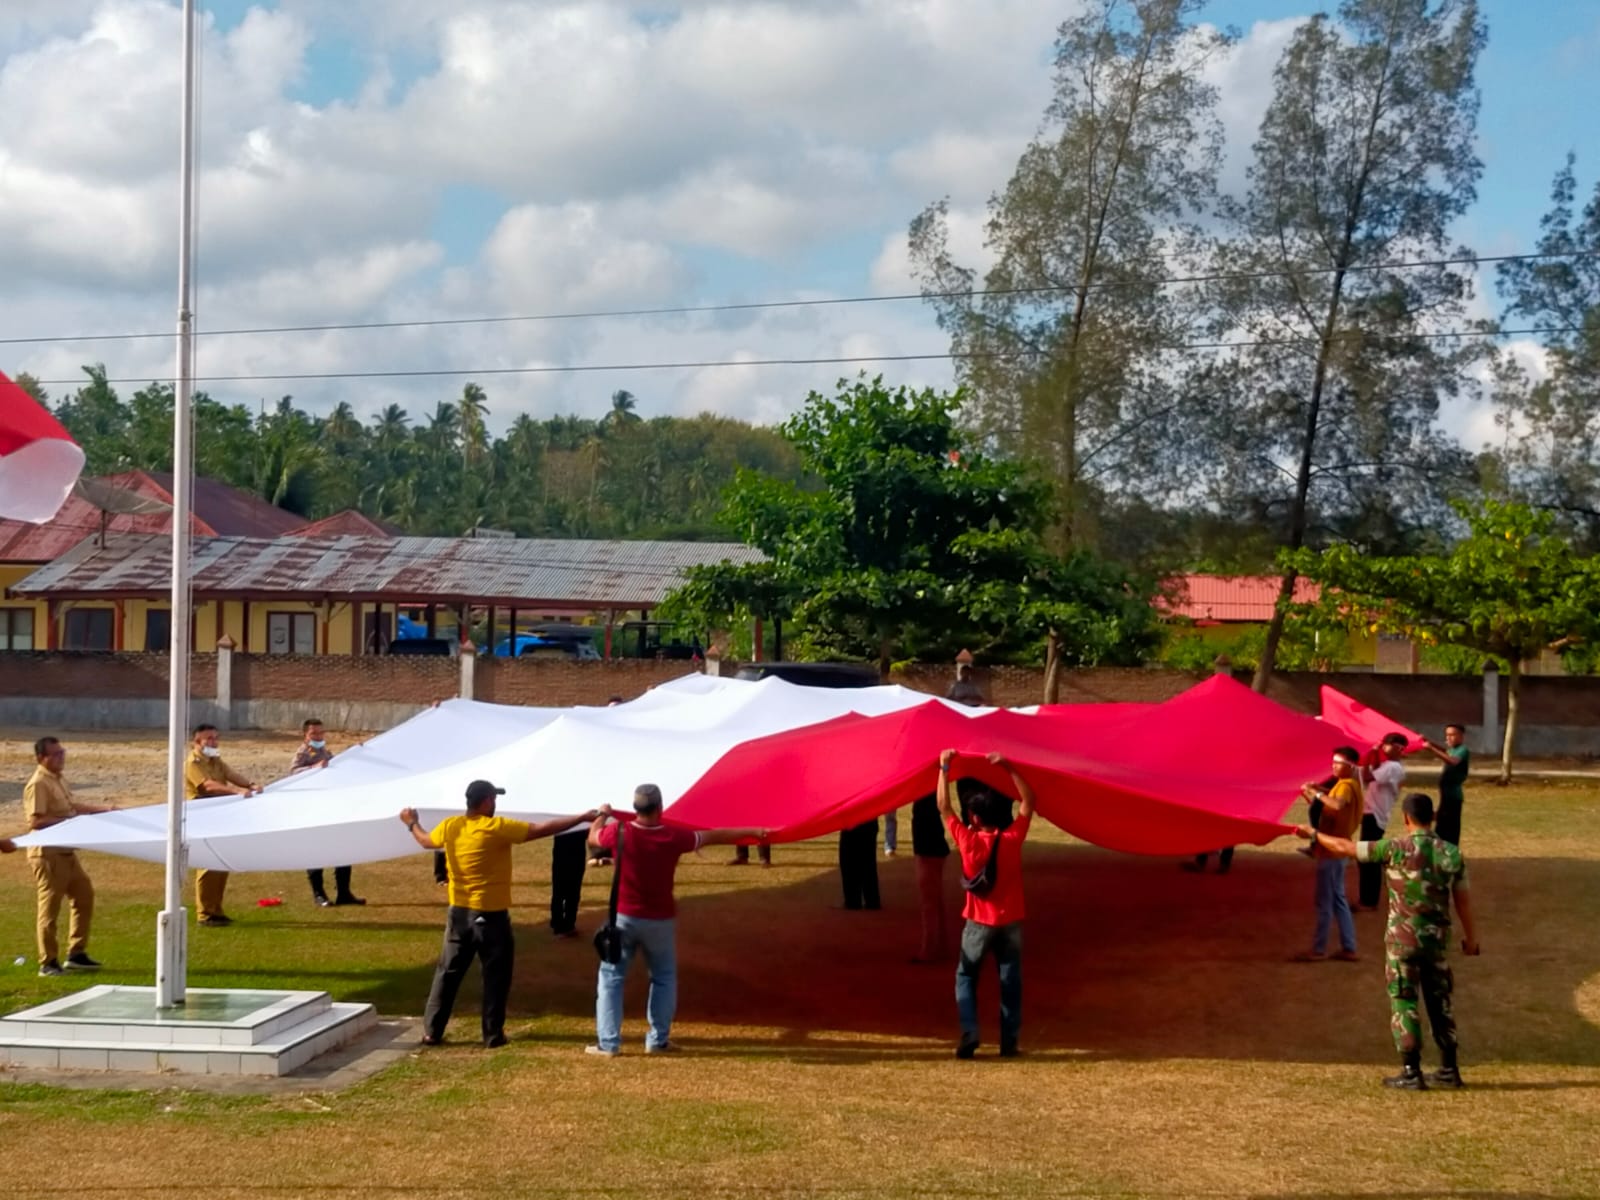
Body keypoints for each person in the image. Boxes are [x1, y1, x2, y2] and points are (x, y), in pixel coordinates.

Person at [1296, 792, 1480, 1089]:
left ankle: (1411, 1072)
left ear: (1406, 819)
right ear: (1431, 817)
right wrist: (1472, 940)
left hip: (1402, 941)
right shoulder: (1451, 854)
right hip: (1436, 943)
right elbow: (1463, 903)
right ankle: (1449, 1069)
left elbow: (1344, 847)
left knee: (1404, 1001)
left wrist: (1314, 834)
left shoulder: (1394, 849)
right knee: (1440, 1002)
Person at [401, 782, 598, 1047]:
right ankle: (492, 1034)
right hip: (490, 915)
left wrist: (412, 823)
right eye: (494, 799)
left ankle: (432, 1032)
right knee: (496, 975)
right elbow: (541, 830)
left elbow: (426, 841)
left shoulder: (451, 826)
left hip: (458, 913)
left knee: (447, 973)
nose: (496, 804)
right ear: (484, 802)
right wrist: (582, 818)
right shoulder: (495, 828)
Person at [585, 785, 767, 1056]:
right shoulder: (673, 836)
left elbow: (594, 837)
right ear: (660, 808)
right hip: (659, 919)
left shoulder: (620, 831)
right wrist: (754, 832)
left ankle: (608, 1043)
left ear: (635, 808)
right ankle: (658, 1040)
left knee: (612, 978)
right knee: (663, 978)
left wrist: (602, 813)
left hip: (624, 917)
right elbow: (714, 837)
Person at [938, 749, 1035, 1059]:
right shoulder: (1011, 839)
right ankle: (1009, 1043)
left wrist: (944, 767)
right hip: (1010, 920)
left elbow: (943, 806)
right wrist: (1009, 766)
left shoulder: (967, 841)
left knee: (966, 976)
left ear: (974, 817)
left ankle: (970, 1030)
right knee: (1010, 981)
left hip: (978, 922)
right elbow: (1029, 801)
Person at [24, 737, 112, 976]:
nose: (61, 758)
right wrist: (72, 822)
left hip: (67, 851)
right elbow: (36, 821)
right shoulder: (39, 783)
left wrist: (103, 810)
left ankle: (76, 953)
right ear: (42, 758)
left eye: (62, 753)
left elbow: (72, 806)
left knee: (84, 896)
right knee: (49, 910)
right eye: (55, 754)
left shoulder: (58, 779)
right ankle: (48, 962)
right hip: (48, 854)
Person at [185, 724, 260, 927]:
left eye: (215, 738)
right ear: (197, 742)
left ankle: (216, 909)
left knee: (221, 863)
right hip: (202, 814)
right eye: (208, 739)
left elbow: (231, 774)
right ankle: (205, 913)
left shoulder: (215, 760)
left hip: (219, 815)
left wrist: (250, 785)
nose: (213, 742)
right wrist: (235, 792)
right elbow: (207, 785)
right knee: (208, 866)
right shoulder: (193, 762)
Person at [1293, 745, 1362, 962]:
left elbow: (1338, 805)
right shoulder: (1348, 784)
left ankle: (1319, 949)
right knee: (1338, 899)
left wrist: (1316, 794)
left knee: (1325, 901)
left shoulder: (1345, 786)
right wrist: (1319, 791)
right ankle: (1348, 946)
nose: (1333, 766)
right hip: (1338, 848)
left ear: (1349, 766)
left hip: (1332, 850)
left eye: (1338, 763)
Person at [291, 718, 365, 908]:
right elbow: (293, 773)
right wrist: (313, 768)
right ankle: (319, 894)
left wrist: (353, 753)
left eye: (321, 733)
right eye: (314, 734)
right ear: (305, 736)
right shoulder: (302, 753)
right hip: (312, 809)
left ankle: (344, 892)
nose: (318, 737)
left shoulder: (324, 751)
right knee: (317, 851)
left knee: (343, 849)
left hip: (331, 807)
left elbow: (336, 766)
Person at [1357, 733, 1410, 910]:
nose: (1384, 748)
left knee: (1368, 859)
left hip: (1375, 816)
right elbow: (1372, 769)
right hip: (1373, 814)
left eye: (1388, 745)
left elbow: (1366, 777)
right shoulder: (1388, 766)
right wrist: (1373, 753)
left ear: (1399, 748)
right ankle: (1368, 899)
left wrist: (1372, 751)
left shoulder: (1393, 767)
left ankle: (1369, 901)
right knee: (1367, 857)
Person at [910, 790, 951, 963]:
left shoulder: (925, 797)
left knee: (929, 903)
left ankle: (929, 949)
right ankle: (940, 945)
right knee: (936, 901)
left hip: (928, 850)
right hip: (932, 847)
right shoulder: (930, 795)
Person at [1424, 723, 1471, 845]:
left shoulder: (1463, 750)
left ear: (1461, 736)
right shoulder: (1453, 750)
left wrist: (1431, 749)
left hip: (1453, 797)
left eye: (1452, 735)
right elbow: (1446, 751)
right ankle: (1441, 853)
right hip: (1446, 796)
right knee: (1441, 826)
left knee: (1449, 829)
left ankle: (1449, 854)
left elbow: (1452, 761)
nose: (1448, 738)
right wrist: (1428, 741)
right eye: (1447, 735)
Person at [550, 823, 588, 937]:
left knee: (558, 890)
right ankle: (567, 925)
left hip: (560, 854)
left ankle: (557, 923)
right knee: (573, 891)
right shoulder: (581, 820)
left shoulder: (561, 819)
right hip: (576, 855)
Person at [837, 816, 881, 910]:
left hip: (853, 818)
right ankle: (871, 900)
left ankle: (853, 900)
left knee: (848, 861)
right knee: (868, 861)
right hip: (869, 819)